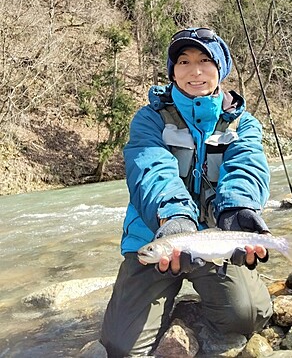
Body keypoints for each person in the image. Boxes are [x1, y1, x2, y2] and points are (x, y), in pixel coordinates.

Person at [101, 27, 273, 357]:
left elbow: (247, 166)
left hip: (215, 237)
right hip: (157, 234)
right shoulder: (148, 119)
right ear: (173, 71)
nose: (195, 71)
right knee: (120, 347)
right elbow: (151, 170)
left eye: (205, 60)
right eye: (184, 61)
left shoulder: (243, 124)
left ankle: (193, 309)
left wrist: (238, 210)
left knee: (247, 317)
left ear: (220, 68)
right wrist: (175, 216)